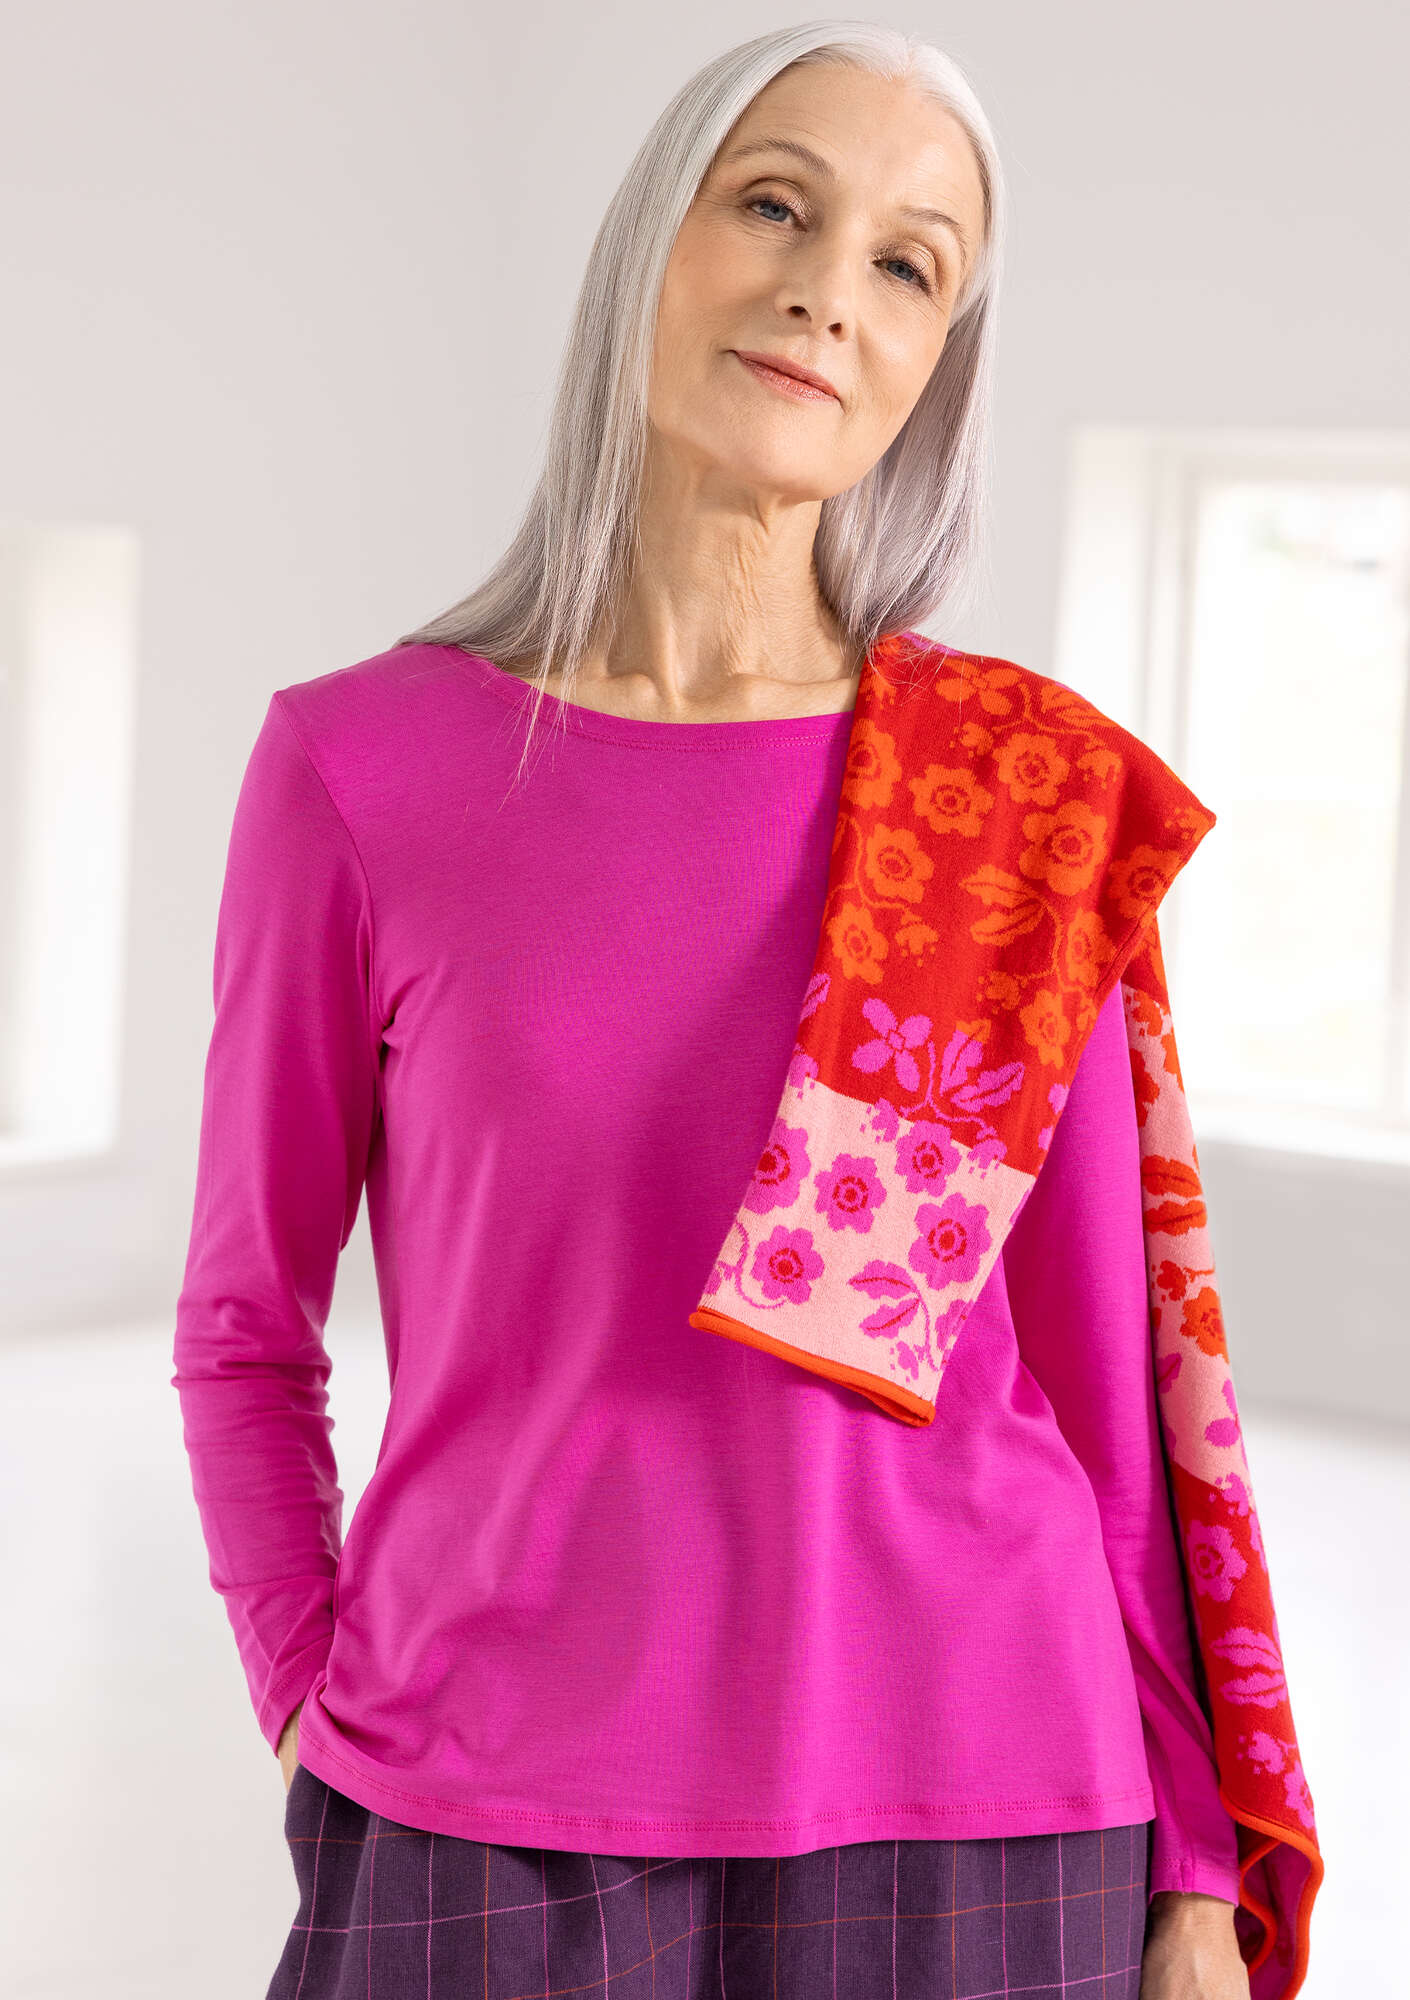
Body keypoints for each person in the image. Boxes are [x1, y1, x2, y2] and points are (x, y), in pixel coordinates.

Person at [173, 22, 1264, 1998]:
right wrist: (304, 1702)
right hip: (489, 1799)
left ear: (934, 367)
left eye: (907, 265)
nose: (826, 292)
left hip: (995, 1807)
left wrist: (1196, 1863)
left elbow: (1112, 1392)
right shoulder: (362, 770)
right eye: (774, 204)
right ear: (650, 240)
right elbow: (248, 1325)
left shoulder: (1012, 795)